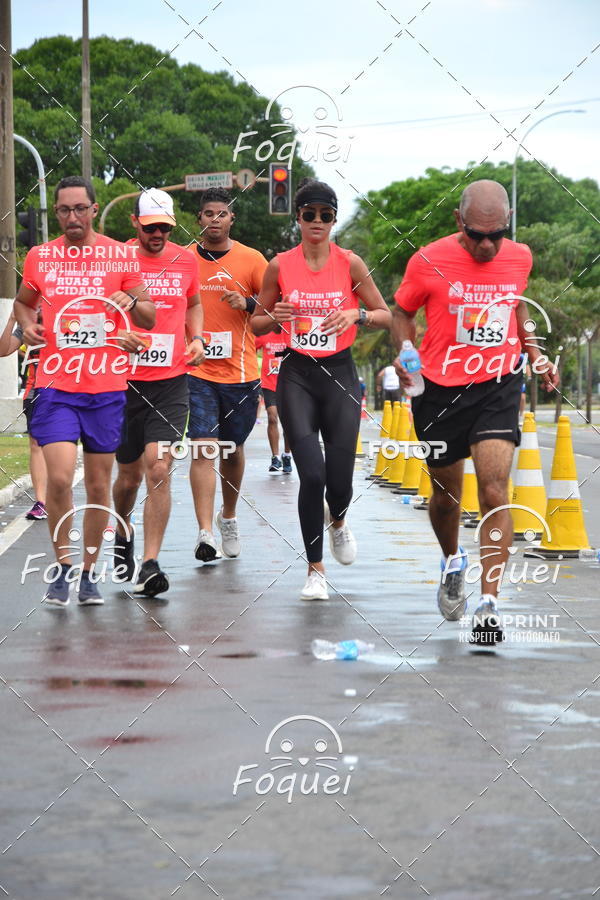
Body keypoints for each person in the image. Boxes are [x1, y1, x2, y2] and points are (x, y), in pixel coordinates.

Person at [392, 179, 558, 642]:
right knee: (446, 496)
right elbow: (403, 311)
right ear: (458, 222)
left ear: (507, 226)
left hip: (498, 384)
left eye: (496, 235)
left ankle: (489, 603)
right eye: (476, 235)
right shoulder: (427, 260)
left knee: (493, 488)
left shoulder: (520, 257)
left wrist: (535, 353)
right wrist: (406, 353)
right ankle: (451, 561)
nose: (487, 245)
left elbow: (516, 310)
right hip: (439, 390)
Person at [14, 175, 155, 608]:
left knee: (98, 485)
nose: (72, 217)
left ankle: (90, 573)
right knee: (58, 477)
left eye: (80, 209)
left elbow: (148, 315)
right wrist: (27, 323)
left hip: (105, 387)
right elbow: (24, 301)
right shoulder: (40, 257)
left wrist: (131, 307)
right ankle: (62, 567)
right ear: (55, 213)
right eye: (64, 210)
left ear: (94, 209)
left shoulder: (120, 255)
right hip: (57, 384)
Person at [253, 178, 391, 600]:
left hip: (340, 374)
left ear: (334, 220)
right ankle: (315, 570)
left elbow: (385, 313)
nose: (317, 221)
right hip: (297, 374)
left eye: (325, 215)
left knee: (340, 480)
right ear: (298, 217)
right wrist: (276, 315)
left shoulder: (350, 263)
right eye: (309, 214)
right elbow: (256, 323)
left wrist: (357, 317)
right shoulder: (280, 265)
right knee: (311, 474)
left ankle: (339, 520)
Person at [112, 189, 205, 597]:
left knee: (159, 466)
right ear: (135, 223)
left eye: (165, 227)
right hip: (121, 382)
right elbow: (99, 310)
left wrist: (197, 337)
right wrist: (118, 335)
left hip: (170, 382)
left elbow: (195, 303)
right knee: (129, 476)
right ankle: (122, 527)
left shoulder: (185, 259)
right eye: (151, 227)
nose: (158, 234)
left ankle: (150, 563)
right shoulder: (116, 259)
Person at [187, 187, 268, 561]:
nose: (214, 220)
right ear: (199, 219)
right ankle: (205, 533)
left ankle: (228, 516)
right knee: (203, 447)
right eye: (208, 214)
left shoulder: (252, 260)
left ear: (232, 219)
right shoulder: (184, 260)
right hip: (197, 370)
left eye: (222, 214)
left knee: (232, 450)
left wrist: (249, 302)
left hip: (241, 372)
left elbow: (275, 309)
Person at [0, 313, 47, 519]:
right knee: (36, 445)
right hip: (35, 391)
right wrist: (12, 320)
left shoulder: (65, 318)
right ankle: (41, 502)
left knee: (60, 446)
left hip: (65, 390)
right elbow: (4, 350)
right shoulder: (26, 324)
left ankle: (60, 494)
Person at [255, 332, 292, 474]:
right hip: (269, 384)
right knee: (272, 417)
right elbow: (249, 349)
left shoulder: (290, 333)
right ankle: (275, 457)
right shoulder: (265, 333)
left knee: (288, 422)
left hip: (289, 384)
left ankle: (287, 455)